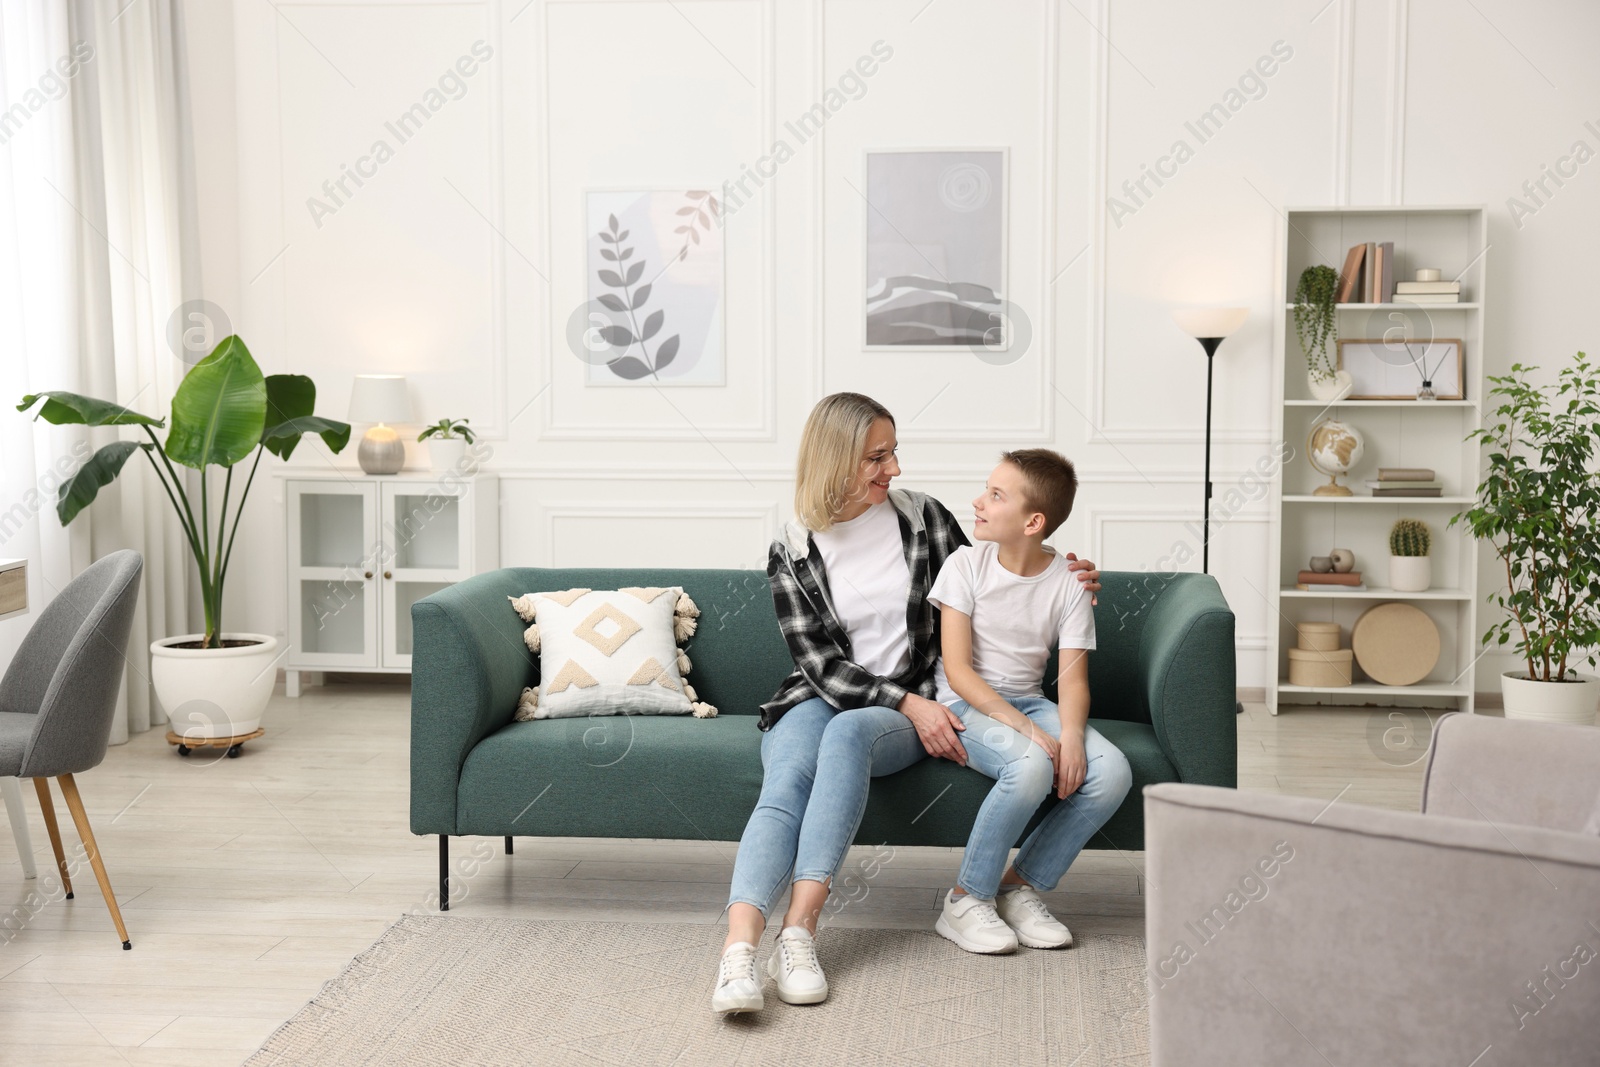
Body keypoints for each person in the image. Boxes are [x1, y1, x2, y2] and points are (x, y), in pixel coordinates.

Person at [711, 394, 1102, 1014]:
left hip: (909, 702)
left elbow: (995, 575)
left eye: (893, 453)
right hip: (823, 696)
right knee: (786, 784)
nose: (893, 469)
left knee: (841, 746)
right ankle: (738, 955)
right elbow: (819, 665)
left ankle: (800, 934)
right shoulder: (791, 547)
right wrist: (904, 702)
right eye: (877, 457)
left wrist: (1061, 571)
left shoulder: (924, 520)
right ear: (836, 460)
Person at [928, 449, 1132, 954]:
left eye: (996, 495)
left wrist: (1073, 738)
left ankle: (1018, 888)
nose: (979, 501)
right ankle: (964, 898)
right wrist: (1028, 731)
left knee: (1113, 773)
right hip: (965, 703)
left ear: (1033, 521)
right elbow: (957, 672)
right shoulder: (964, 566)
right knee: (1032, 765)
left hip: (1029, 700)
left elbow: (1073, 682)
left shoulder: (1069, 583)